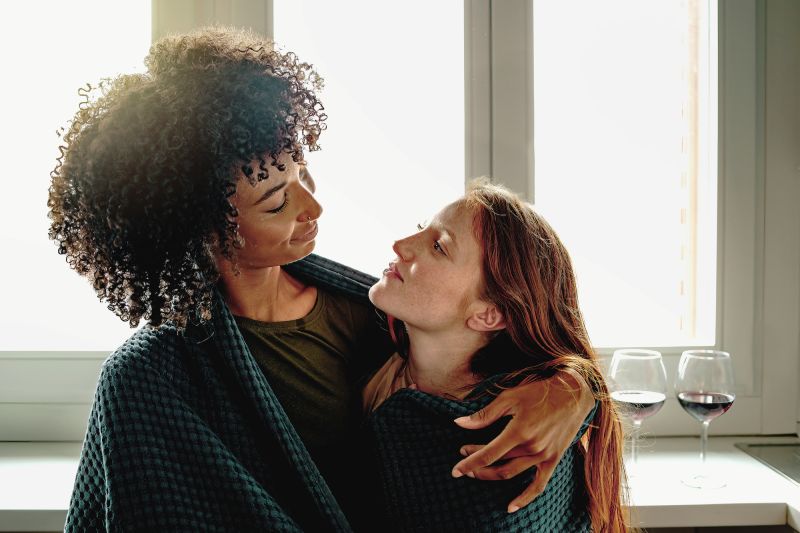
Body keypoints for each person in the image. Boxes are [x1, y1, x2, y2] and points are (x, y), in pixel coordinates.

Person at [47, 26, 596, 532]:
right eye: (278, 199)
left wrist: (576, 386)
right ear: (204, 229)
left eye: (303, 172)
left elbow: (515, 346)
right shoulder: (148, 379)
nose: (313, 207)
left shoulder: (374, 313)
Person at [363, 180, 627, 532]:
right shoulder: (375, 338)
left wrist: (581, 386)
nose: (400, 245)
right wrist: (582, 384)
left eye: (438, 246)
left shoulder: (516, 450)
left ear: (488, 315)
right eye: (420, 230)